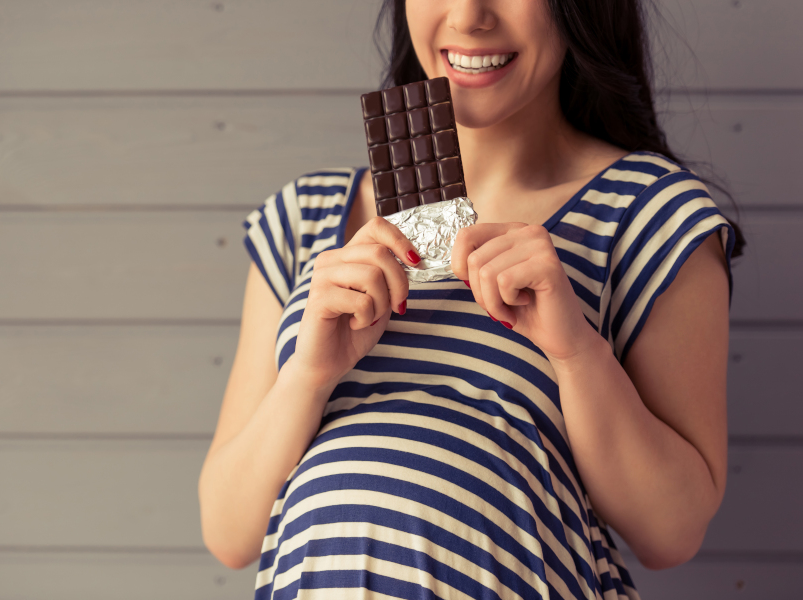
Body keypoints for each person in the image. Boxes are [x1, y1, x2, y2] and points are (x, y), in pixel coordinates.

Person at [199, 0, 740, 597]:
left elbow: (672, 535)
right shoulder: (307, 218)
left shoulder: (652, 215)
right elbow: (229, 532)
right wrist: (308, 375)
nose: (469, 15)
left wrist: (576, 353)